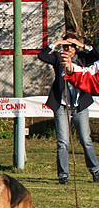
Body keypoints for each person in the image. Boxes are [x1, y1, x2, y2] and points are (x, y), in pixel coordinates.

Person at [38, 33, 99, 185]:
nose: (68, 50)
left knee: (86, 140)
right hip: (62, 106)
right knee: (62, 142)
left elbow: (97, 54)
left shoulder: (83, 59)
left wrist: (82, 45)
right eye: (66, 47)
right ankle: (63, 175)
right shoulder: (59, 59)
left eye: (71, 47)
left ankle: (95, 170)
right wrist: (57, 42)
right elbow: (42, 55)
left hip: (80, 105)